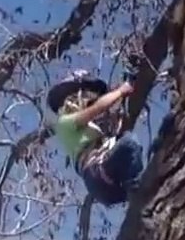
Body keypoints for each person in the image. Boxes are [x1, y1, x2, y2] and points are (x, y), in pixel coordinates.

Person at [49, 78, 145, 206]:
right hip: (95, 172)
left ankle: (138, 194)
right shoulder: (64, 122)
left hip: (100, 185)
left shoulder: (90, 132)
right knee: (129, 142)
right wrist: (121, 91)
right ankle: (137, 188)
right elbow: (97, 108)